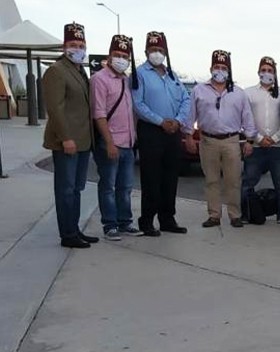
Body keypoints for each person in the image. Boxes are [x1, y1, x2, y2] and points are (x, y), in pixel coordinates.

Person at [184, 50, 258, 228]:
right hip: (208, 140)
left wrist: (249, 140)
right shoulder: (199, 90)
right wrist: (188, 137)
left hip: (231, 140)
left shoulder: (238, 93)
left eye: (223, 67)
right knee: (211, 180)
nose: (220, 70)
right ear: (211, 68)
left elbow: (247, 117)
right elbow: (190, 115)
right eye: (216, 67)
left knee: (233, 180)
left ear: (229, 71)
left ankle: (235, 215)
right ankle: (214, 215)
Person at [43, 23, 98, 249]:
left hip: (83, 140)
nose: (78, 49)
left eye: (81, 45)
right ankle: (67, 234)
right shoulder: (57, 71)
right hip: (67, 141)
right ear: (64, 46)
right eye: (73, 45)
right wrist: (66, 137)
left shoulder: (78, 70)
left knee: (76, 188)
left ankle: (74, 229)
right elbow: (55, 108)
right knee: (65, 189)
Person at [132, 31, 191, 236]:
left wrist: (178, 121)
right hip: (151, 131)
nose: (156, 53)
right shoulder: (139, 73)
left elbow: (186, 99)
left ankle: (168, 219)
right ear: (146, 51)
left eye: (160, 50)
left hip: (173, 132)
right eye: (153, 49)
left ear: (165, 53)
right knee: (151, 177)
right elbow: (137, 103)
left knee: (170, 177)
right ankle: (147, 220)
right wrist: (160, 121)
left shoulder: (172, 75)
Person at [91, 34, 142, 241]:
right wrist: (109, 142)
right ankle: (109, 225)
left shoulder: (126, 80)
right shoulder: (99, 79)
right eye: (117, 55)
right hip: (110, 143)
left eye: (125, 56)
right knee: (108, 186)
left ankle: (124, 222)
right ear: (110, 56)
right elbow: (99, 113)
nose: (121, 59)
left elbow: (131, 111)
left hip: (128, 143)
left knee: (125, 187)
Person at [241, 56, 280, 225]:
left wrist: (275, 138)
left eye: (270, 71)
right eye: (264, 70)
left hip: (278, 146)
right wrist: (258, 138)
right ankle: (245, 214)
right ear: (258, 72)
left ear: (275, 74)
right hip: (256, 146)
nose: (266, 73)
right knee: (248, 182)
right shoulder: (248, 93)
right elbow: (244, 120)